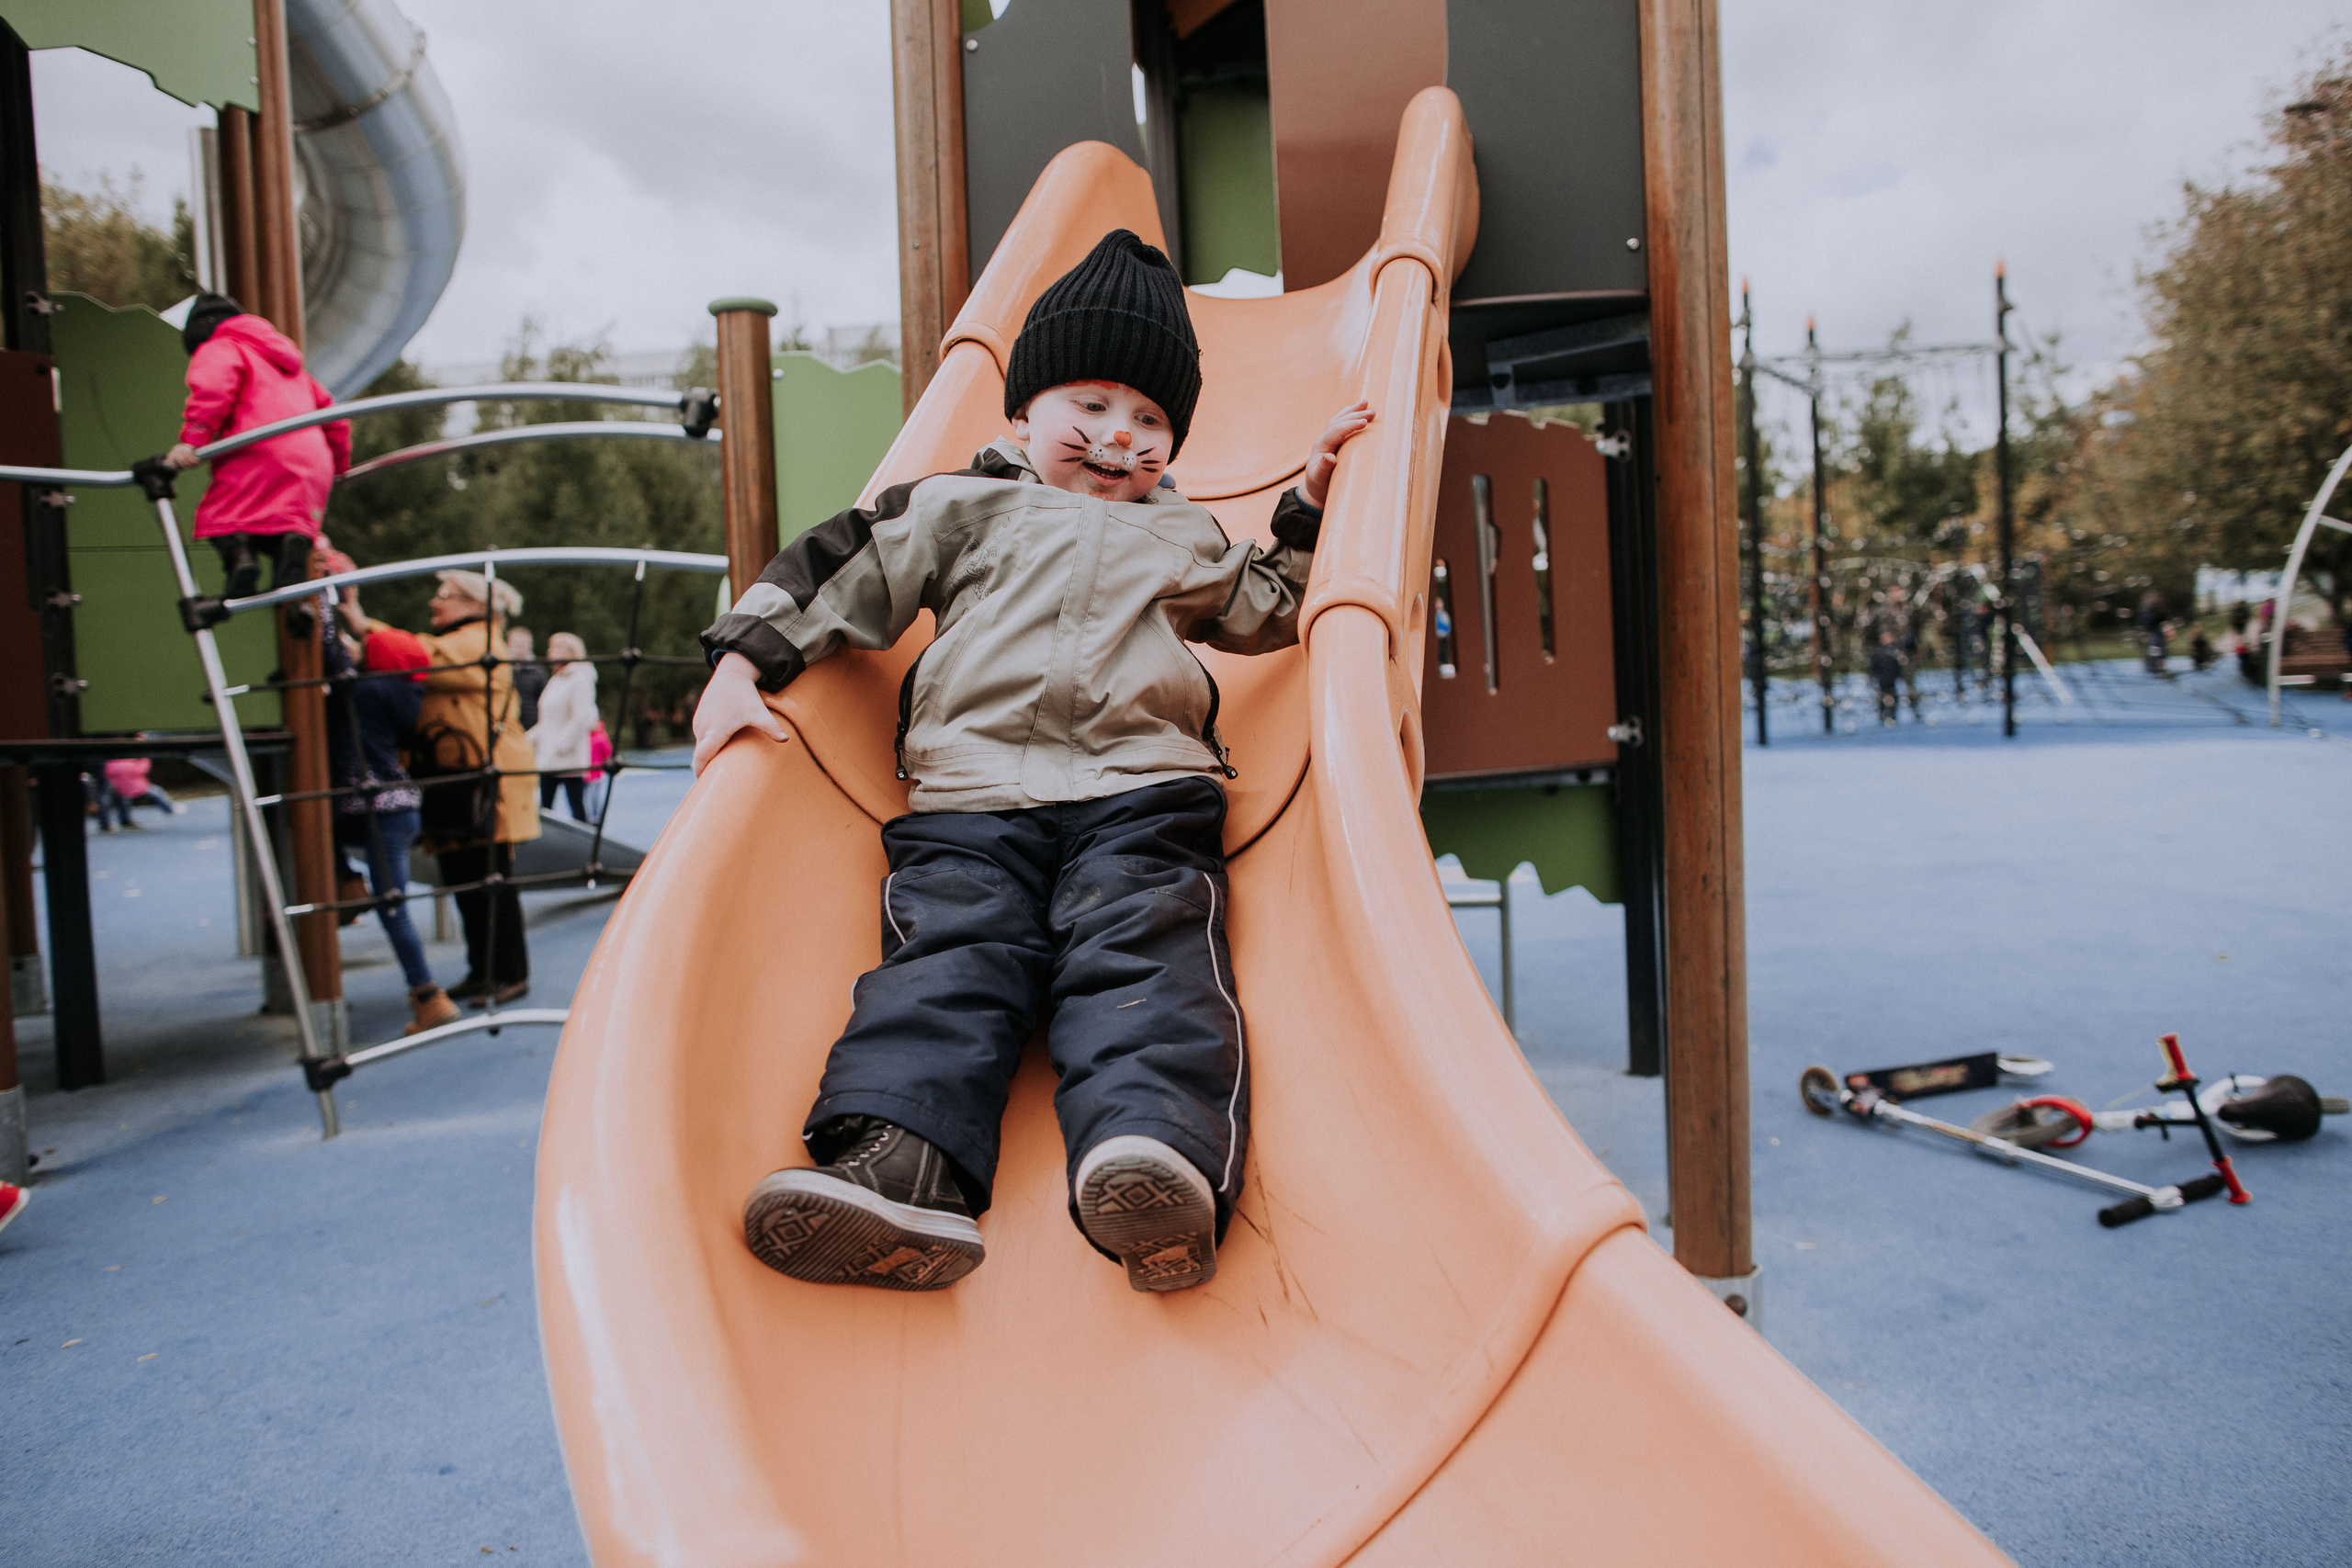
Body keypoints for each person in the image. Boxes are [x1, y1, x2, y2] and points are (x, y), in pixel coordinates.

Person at [694, 230, 1374, 1296]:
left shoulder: (1188, 537)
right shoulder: (962, 507)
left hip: (1141, 797)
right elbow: (843, 568)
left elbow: (1271, 610)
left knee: (1147, 963)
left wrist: (1311, 504)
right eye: (1090, 406)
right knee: (945, 966)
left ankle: (1151, 1161)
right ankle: (900, 1170)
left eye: (1149, 420)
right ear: (1022, 413)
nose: (1119, 437)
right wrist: (739, 664)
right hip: (972, 800)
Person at [340, 570, 540, 1006]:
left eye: (446, 595)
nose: (436, 602)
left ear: (476, 606)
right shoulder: (465, 639)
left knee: (492, 879)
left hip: (484, 781)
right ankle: (482, 969)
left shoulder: (479, 642)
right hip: (455, 779)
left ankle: (510, 972)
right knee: (464, 878)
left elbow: (420, 656)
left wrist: (361, 624)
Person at [163, 293, 349, 636]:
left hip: (258, 451)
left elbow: (213, 390)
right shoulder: (296, 372)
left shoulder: (220, 346)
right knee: (285, 524)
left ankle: (240, 560)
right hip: (312, 465)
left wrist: (193, 440)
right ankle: (292, 577)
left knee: (218, 518)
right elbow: (337, 421)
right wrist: (338, 467)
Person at [325, 617, 461, 1036]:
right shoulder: (400, 690)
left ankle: (427, 994)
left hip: (374, 810)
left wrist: (330, 613)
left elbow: (334, 658)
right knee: (319, 830)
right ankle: (349, 883)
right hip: (394, 809)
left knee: (392, 906)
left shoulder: (366, 692)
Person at [527, 632, 598, 820]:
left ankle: (586, 847)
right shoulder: (555, 680)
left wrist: (561, 745)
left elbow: (582, 718)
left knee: (576, 806)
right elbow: (548, 720)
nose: (550, 652)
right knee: (544, 808)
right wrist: (526, 739)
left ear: (570, 651)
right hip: (548, 758)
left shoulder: (580, 679)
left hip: (568, 758)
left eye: (556, 648)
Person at [96, 757, 183, 829]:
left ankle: (122, 821)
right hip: (138, 787)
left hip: (123, 789)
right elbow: (142, 769)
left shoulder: (111, 765)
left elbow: (107, 774)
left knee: (124, 800)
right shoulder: (129, 763)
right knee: (157, 792)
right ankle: (169, 809)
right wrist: (145, 759)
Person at [508, 626, 548, 731]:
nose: (521, 648)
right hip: (507, 725)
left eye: (524, 644)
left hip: (531, 727)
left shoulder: (538, 672)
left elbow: (544, 701)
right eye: (517, 644)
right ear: (509, 644)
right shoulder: (501, 669)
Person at [1867, 632, 1904, 727]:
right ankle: (1884, 715)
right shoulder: (1880, 651)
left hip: (1890, 678)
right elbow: (1873, 665)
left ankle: (1890, 715)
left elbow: (1898, 665)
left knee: (1892, 697)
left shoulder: (1894, 650)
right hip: (1883, 678)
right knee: (1884, 697)